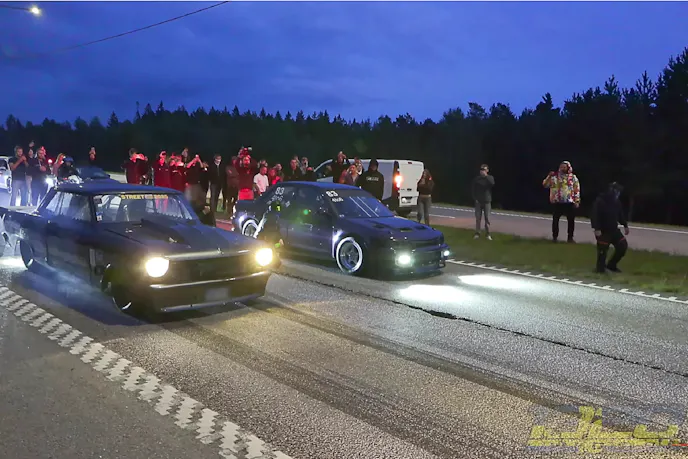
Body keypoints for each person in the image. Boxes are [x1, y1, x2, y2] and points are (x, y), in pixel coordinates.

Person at [591, 182, 630, 273]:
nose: (618, 193)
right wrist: (596, 228)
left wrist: (625, 225)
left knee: (622, 246)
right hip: (603, 230)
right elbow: (595, 215)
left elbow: (620, 215)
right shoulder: (600, 201)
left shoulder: (617, 202)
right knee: (603, 250)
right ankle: (600, 269)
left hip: (614, 230)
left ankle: (612, 265)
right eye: (617, 191)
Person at [542, 160, 581, 243]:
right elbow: (545, 185)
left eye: (564, 167)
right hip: (557, 201)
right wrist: (549, 176)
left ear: (568, 168)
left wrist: (577, 200)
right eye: (561, 166)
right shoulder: (554, 177)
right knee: (555, 220)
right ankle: (554, 237)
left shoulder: (573, 178)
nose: (562, 168)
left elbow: (576, 189)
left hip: (569, 202)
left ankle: (570, 238)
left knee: (571, 220)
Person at [472, 164, 495, 240]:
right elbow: (473, 189)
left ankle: (488, 234)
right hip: (478, 202)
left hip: (487, 201)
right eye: (481, 170)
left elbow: (492, 184)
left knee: (487, 218)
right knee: (478, 218)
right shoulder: (477, 179)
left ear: (487, 170)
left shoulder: (490, 178)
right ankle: (477, 233)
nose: (482, 171)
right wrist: (475, 198)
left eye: (484, 170)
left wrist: (486, 176)